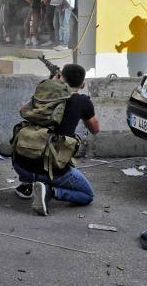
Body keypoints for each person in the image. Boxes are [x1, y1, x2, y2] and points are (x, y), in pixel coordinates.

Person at [11, 64, 100, 215]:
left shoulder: (44, 93)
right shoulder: (83, 102)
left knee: (32, 137)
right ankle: (50, 191)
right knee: (87, 195)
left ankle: (27, 185)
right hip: (52, 171)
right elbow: (95, 129)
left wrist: (51, 85)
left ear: (60, 78)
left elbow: (22, 110)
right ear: (83, 85)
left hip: (21, 163)